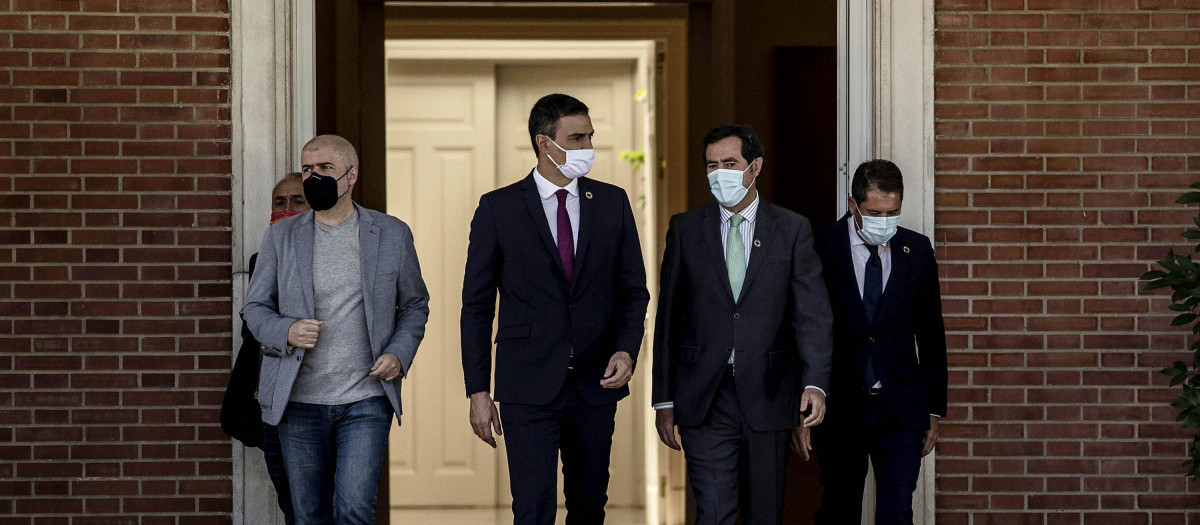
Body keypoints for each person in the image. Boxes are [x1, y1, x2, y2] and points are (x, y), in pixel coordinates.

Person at [460, 93, 649, 524]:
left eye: (590, 137)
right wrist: (478, 390)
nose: (587, 147)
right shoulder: (498, 208)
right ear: (545, 143)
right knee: (532, 509)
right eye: (576, 138)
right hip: (526, 385)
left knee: (589, 506)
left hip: (595, 383)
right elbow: (476, 306)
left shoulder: (613, 202)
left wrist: (626, 349)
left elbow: (633, 292)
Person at [242, 135, 430, 524]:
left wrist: (398, 353)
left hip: (366, 398)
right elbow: (254, 308)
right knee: (308, 514)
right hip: (298, 400)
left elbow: (414, 305)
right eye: (308, 169)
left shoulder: (392, 233)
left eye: (325, 169)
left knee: (354, 509)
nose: (314, 177)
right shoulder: (282, 236)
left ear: (351, 175)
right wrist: (286, 330)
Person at [651, 124, 833, 525]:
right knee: (714, 513)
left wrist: (815, 383)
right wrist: (663, 399)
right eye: (711, 166)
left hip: (770, 393)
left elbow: (811, 315)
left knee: (764, 514)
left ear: (755, 167)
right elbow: (669, 320)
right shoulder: (685, 229)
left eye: (729, 163)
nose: (720, 174)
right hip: (705, 395)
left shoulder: (791, 229)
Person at [810, 159, 947, 525]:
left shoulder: (915, 250)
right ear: (853, 205)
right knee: (839, 505)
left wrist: (934, 409)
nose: (884, 220)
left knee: (897, 509)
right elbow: (804, 327)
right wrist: (802, 400)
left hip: (900, 407)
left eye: (893, 212)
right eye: (874, 212)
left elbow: (931, 333)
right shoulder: (820, 245)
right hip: (840, 405)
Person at [221, 172, 307, 524]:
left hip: (314, 398)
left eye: (297, 201)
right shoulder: (261, 260)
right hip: (271, 399)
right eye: (279, 202)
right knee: (293, 504)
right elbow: (252, 331)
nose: (287, 208)